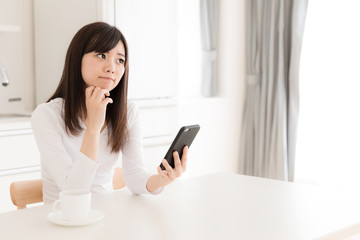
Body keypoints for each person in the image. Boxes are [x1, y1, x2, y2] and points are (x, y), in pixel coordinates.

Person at [31, 22, 188, 203]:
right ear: (77, 59)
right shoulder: (47, 115)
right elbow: (73, 191)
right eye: (101, 55)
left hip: (106, 215)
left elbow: (135, 176)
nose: (111, 67)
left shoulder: (128, 112)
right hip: (63, 219)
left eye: (120, 60)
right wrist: (93, 128)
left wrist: (163, 178)